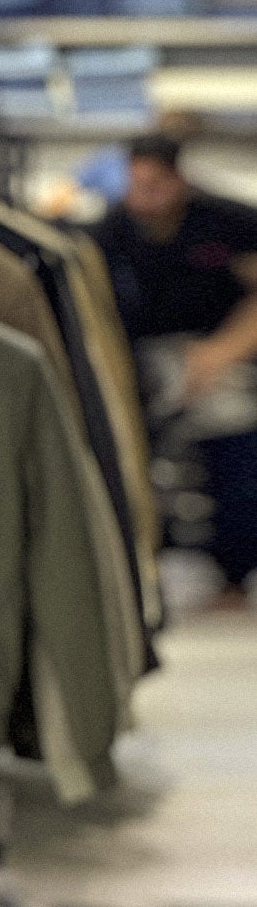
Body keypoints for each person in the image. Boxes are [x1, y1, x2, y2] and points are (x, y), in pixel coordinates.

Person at [95, 132, 257, 607]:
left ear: (179, 180)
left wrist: (221, 353)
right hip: (141, 365)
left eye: (155, 186)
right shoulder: (111, 232)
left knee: (238, 458)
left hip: (224, 355)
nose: (144, 198)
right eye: (136, 185)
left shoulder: (228, 223)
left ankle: (234, 576)